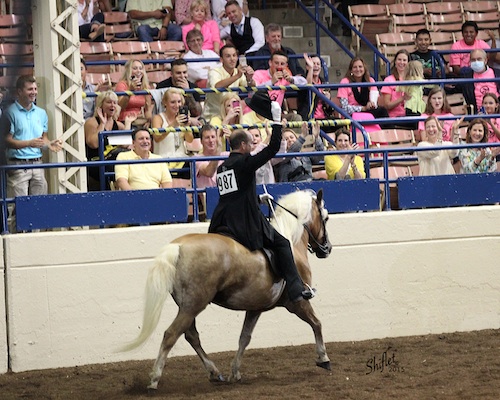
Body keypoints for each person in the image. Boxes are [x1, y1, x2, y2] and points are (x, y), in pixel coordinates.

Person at [208, 95, 314, 302]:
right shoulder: (244, 163)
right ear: (243, 146)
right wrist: (275, 123)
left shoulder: (222, 168)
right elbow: (273, 149)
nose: (251, 147)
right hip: (245, 223)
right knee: (283, 242)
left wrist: (257, 200)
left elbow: (234, 195)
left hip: (222, 221)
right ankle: (294, 288)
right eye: (249, 144)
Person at [4, 75, 63, 200]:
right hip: (17, 166)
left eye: (35, 89)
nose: (34, 92)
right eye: (30, 89)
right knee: (18, 208)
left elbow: (43, 138)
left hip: (38, 164)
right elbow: (7, 141)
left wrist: (49, 144)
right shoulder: (9, 112)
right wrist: (29, 143)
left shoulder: (41, 113)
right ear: (19, 91)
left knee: (40, 206)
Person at [84, 90, 136, 190]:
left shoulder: (119, 125)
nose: (112, 105)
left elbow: (125, 144)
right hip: (96, 163)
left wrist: (128, 123)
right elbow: (94, 144)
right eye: (109, 102)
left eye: (115, 103)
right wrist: (102, 124)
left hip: (113, 161)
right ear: (101, 104)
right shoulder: (92, 122)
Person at [203, 44, 254, 121]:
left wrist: (249, 78)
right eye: (228, 56)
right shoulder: (214, 72)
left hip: (233, 117)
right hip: (213, 117)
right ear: (221, 59)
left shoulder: (237, 72)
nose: (232, 59)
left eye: (234, 55)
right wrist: (237, 76)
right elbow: (217, 86)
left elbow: (250, 86)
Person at [151, 88, 195, 174]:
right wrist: (173, 125)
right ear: (165, 103)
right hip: (163, 159)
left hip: (182, 159)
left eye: (179, 102)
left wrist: (186, 127)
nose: (177, 105)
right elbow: (157, 138)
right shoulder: (158, 118)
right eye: (173, 102)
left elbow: (190, 140)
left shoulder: (182, 118)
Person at [337, 56, 389, 122]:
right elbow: (344, 108)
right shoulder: (345, 82)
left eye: (360, 67)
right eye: (355, 67)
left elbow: (374, 100)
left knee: (382, 111)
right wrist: (362, 108)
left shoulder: (370, 80)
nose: (358, 69)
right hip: (352, 115)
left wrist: (371, 104)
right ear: (351, 70)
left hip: (368, 112)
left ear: (364, 68)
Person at [115, 59, 154, 127]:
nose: (138, 71)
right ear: (128, 71)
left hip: (140, 119)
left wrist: (149, 121)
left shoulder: (145, 87)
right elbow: (120, 105)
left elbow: (148, 108)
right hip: (125, 120)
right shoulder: (122, 85)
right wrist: (130, 91)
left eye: (140, 68)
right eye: (135, 68)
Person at [459, 49, 500, 113]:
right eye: (473, 60)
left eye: (479, 59)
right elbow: (454, 87)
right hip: (477, 116)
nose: (476, 62)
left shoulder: (497, 74)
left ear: (485, 60)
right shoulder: (466, 76)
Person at [380, 49, 411, 122]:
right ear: (395, 62)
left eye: (404, 60)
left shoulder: (412, 79)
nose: (402, 62)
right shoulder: (388, 80)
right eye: (399, 60)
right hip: (394, 117)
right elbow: (387, 105)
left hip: (410, 114)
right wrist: (403, 98)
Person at [194, 124, 226, 188]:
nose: (211, 141)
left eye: (213, 137)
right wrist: (219, 148)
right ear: (201, 141)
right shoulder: (196, 158)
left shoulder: (226, 155)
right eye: (207, 138)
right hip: (208, 196)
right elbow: (209, 172)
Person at [399, 60, 426, 129]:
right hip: (414, 105)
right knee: (416, 124)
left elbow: (399, 88)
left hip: (410, 105)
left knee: (416, 123)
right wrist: (436, 85)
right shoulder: (417, 79)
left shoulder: (406, 80)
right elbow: (428, 84)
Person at [480, 92, 500, 170]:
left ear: (496, 105)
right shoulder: (479, 119)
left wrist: (490, 123)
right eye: (485, 103)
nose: (488, 106)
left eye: (491, 103)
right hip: (484, 153)